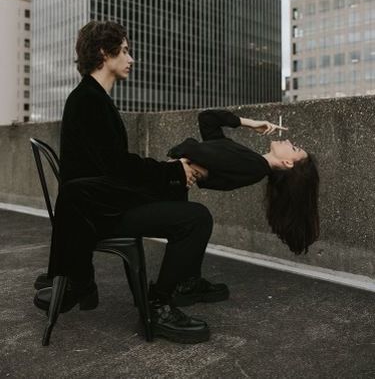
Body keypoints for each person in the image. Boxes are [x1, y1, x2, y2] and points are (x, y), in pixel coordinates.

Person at [34, 20, 229, 345]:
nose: (131, 58)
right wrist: (172, 172)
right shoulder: (88, 101)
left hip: (97, 206)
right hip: (100, 214)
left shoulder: (91, 98)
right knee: (197, 218)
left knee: (175, 186)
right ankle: (159, 305)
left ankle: (185, 282)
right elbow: (117, 168)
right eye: (124, 50)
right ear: (103, 53)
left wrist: (172, 173)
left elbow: (114, 166)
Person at [168, 109, 320, 255]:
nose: (287, 141)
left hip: (166, 181)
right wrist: (251, 123)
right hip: (169, 179)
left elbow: (188, 150)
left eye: (293, 148)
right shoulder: (251, 162)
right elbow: (207, 119)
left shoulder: (253, 166)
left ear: (287, 163)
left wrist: (186, 159)